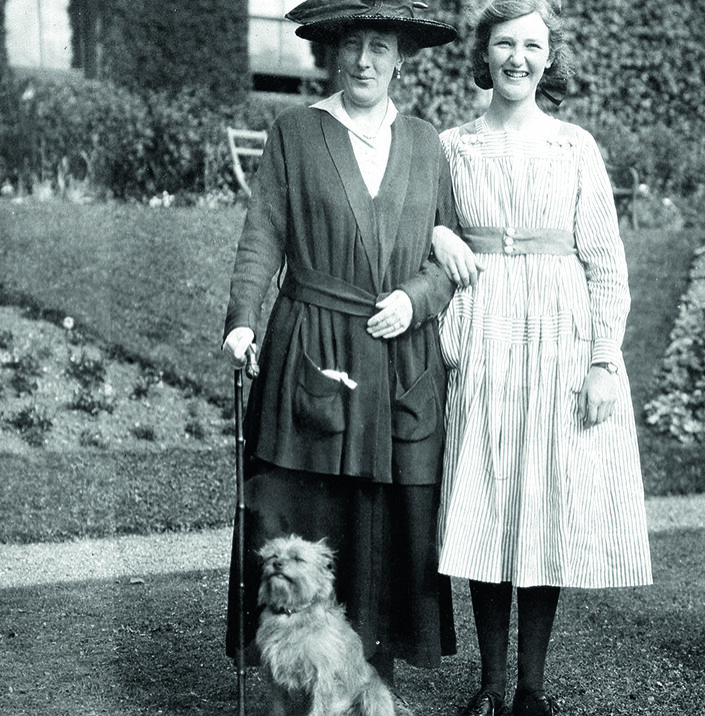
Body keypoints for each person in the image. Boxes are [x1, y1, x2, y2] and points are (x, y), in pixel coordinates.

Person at [220, 0, 459, 704]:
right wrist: (242, 321)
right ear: (332, 52)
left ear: (400, 57)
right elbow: (262, 233)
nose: (364, 61)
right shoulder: (296, 133)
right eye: (352, 45)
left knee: (385, 528)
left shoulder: (424, 142)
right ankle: (294, 681)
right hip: (311, 349)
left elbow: (447, 254)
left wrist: (416, 297)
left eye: (379, 46)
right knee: (309, 514)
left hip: (397, 363)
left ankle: (368, 687)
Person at [430, 1, 652, 714]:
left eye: (532, 45)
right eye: (504, 44)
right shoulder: (452, 147)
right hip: (483, 330)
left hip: (559, 339)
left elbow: (607, 268)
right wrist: (440, 238)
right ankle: (489, 685)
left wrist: (602, 362)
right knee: (488, 498)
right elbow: (419, 226)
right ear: (484, 54)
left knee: (545, 503)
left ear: (548, 57)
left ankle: (530, 688)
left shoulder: (574, 148)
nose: (517, 57)